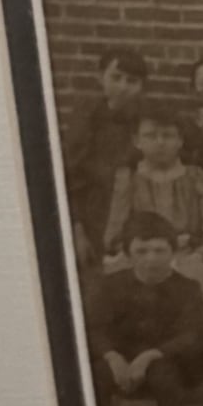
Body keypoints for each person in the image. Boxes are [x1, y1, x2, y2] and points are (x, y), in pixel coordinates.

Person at [86, 209, 203, 406]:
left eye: (159, 251)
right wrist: (113, 357)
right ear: (128, 254)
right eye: (142, 251)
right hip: (121, 363)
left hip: (172, 364)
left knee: (162, 373)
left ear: (173, 252)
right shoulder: (110, 286)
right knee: (97, 373)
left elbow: (193, 334)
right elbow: (95, 328)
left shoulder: (187, 288)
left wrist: (150, 355)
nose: (151, 259)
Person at [101, 103, 203, 282]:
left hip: (186, 257)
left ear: (180, 140)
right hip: (139, 257)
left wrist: (196, 256)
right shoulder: (128, 180)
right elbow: (114, 237)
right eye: (151, 136)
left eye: (168, 136)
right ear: (137, 141)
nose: (160, 142)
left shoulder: (198, 179)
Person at [63, 46, 147, 264]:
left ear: (141, 87)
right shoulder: (86, 119)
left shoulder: (148, 122)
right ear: (100, 77)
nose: (123, 87)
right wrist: (77, 230)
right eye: (116, 78)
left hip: (134, 213)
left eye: (132, 81)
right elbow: (71, 177)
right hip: (93, 213)